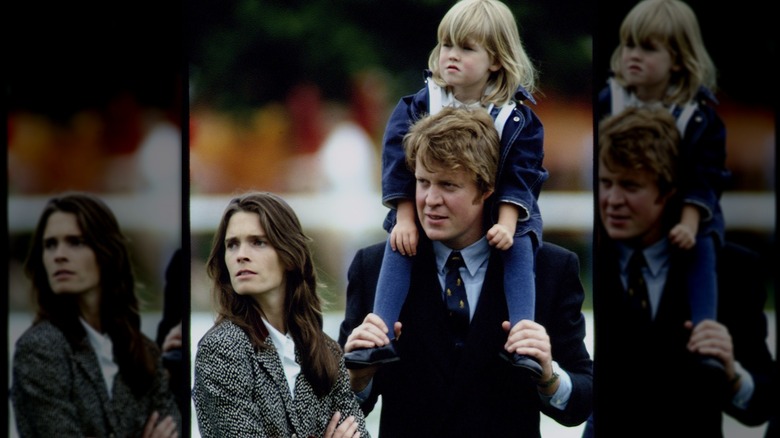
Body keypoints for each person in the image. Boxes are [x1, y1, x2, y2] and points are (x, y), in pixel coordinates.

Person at [338, 106, 593, 437]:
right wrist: (358, 377)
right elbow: (340, 408)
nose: (430, 199)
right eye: (422, 182)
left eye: (448, 185)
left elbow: (583, 401)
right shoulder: (372, 268)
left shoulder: (552, 269)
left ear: (487, 190)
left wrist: (549, 376)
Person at [344, 0, 548, 378]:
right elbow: (398, 164)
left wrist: (505, 222)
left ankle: (524, 339)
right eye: (446, 46)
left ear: (497, 60)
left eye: (466, 48)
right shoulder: (420, 105)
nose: (451, 57)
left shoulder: (516, 116)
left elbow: (523, 172)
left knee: (519, 243)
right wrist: (406, 216)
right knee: (399, 243)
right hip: (422, 211)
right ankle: (380, 334)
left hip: (506, 208)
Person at [588, 107, 775, 436]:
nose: (612, 200)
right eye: (606, 183)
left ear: (668, 190)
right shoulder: (584, 264)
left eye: (630, 186)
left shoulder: (732, 270)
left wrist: (733, 376)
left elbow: (762, 405)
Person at [595, 0, 732, 373]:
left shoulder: (699, 113)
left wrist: (688, 221)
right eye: (629, 45)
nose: (633, 56)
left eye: (648, 48)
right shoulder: (610, 99)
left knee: (702, 246)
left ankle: (706, 334)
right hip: (631, 211)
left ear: (678, 59)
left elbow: (707, 175)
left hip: (689, 209)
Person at [191, 192, 368, 438]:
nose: (241, 254)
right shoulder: (222, 349)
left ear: (289, 256)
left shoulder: (325, 350)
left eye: (258, 242)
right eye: (232, 244)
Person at [10, 192, 181, 438]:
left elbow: (171, 426)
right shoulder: (39, 349)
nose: (59, 255)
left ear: (106, 252)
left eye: (75, 242)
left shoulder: (141, 350)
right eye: (50, 245)